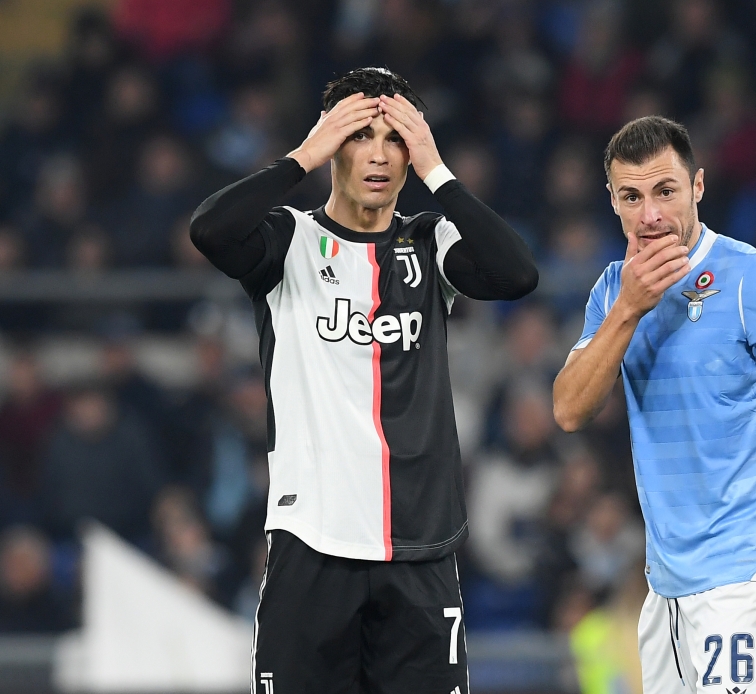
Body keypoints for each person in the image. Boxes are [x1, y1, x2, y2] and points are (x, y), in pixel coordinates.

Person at [189, 67, 537, 694]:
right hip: (312, 545)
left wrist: (439, 171)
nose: (377, 154)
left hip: (420, 549)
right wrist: (302, 156)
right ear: (331, 144)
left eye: (394, 137)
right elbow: (209, 230)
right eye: (359, 135)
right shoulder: (288, 241)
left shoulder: (430, 242)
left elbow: (515, 275)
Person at [553, 116, 756, 693]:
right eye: (631, 197)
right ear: (612, 201)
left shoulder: (752, 281)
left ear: (698, 188)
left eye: (665, 191)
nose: (651, 214)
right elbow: (568, 409)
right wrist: (629, 310)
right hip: (664, 595)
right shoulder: (614, 292)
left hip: (749, 581)